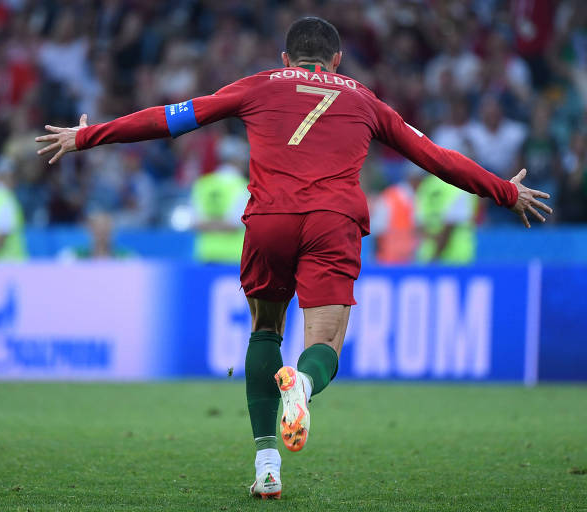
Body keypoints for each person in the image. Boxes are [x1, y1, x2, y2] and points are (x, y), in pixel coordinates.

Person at [35, 17, 552, 499]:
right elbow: (435, 157)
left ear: (286, 57)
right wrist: (505, 192)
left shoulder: (258, 84)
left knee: (265, 331)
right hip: (332, 222)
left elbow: (172, 119)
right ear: (337, 60)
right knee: (324, 343)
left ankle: (267, 466)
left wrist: (87, 135)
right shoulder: (366, 100)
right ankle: (301, 384)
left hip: (270, 220)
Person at [191, 135, 250, 263]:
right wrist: (222, 224)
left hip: (207, 254)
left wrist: (210, 224)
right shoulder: (242, 187)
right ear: (237, 160)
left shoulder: (203, 184)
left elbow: (195, 222)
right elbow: (236, 223)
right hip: (234, 257)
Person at [416, 173, 477, 265]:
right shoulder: (460, 185)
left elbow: (419, 224)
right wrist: (434, 258)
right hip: (457, 257)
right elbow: (450, 227)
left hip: (428, 255)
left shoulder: (427, 184)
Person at [58, 211, 133, 261]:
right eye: (97, 229)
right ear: (89, 231)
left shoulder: (126, 258)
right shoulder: (72, 257)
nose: (102, 233)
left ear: (113, 231)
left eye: (106, 229)